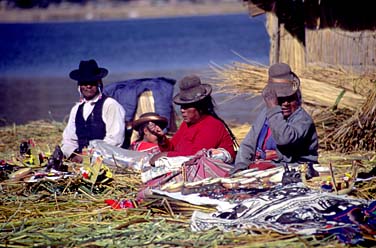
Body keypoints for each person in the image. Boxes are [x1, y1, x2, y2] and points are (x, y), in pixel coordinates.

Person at [230, 63, 318, 175]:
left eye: (290, 99)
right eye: (280, 100)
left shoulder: (303, 120)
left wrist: (274, 109)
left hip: (297, 169)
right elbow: (248, 144)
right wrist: (240, 168)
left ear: (297, 98)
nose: (285, 103)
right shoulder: (266, 113)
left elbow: (284, 138)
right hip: (264, 168)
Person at [147, 75, 238, 165]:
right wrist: (161, 138)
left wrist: (166, 155)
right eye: (182, 106)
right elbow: (172, 148)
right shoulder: (186, 125)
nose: (182, 110)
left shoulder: (212, 125)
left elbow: (196, 156)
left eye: (187, 106)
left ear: (200, 107)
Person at [61, 59, 126, 163]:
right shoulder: (76, 109)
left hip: (105, 160)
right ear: (79, 85)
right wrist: (69, 154)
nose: (88, 86)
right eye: (85, 83)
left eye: (92, 82)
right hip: (81, 161)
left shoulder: (110, 105)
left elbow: (115, 140)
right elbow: (69, 139)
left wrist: (88, 155)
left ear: (99, 83)